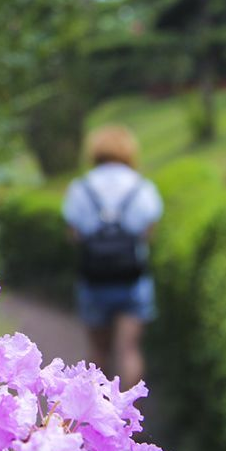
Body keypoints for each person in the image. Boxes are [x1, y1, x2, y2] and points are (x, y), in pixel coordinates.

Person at [62, 125, 163, 387]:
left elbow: (74, 234)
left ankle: (97, 419)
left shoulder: (80, 187)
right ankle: (130, 420)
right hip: (132, 278)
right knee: (129, 349)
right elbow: (149, 231)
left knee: (98, 354)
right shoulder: (141, 186)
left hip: (94, 279)